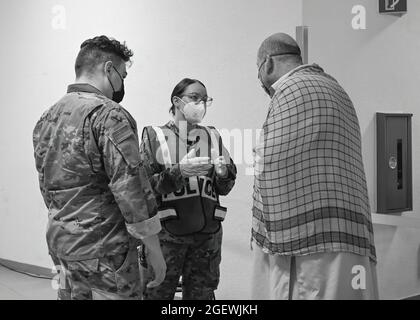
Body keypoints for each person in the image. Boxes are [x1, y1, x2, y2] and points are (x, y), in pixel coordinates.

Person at [32, 35, 166, 300]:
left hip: (62, 244)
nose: (122, 83)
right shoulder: (109, 115)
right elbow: (131, 188)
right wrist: (154, 249)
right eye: (123, 75)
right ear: (108, 69)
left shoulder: (45, 118)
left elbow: (47, 188)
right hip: (105, 252)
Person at [251, 33, 378, 300]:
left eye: (258, 69)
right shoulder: (334, 87)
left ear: (268, 63)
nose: (259, 79)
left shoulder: (291, 89)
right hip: (349, 227)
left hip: (311, 238)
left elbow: (272, 157)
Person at [140, 78, 237, 300]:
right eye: (194, 98)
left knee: (202, 297)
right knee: (157, 294)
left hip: (207, 238)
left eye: (205, 100)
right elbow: (144, 188)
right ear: (176, 101)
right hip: (167, 238)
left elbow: (226, 186)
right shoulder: (154, 135)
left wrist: (223, 174)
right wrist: (179, 172)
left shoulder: (212, 135)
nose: (200, 104)